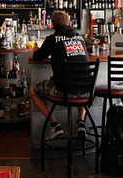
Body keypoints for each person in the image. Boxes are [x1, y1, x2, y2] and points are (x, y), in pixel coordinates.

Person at [29, 10, 89, 140]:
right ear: (69, 22)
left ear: (53, 25)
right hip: (87, 91)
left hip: (63, 91)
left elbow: (37, 56)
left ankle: (55, 125)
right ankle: (81, 122)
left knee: (33, 90)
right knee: (79, 81)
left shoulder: (52, 39)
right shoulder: (80, 38)